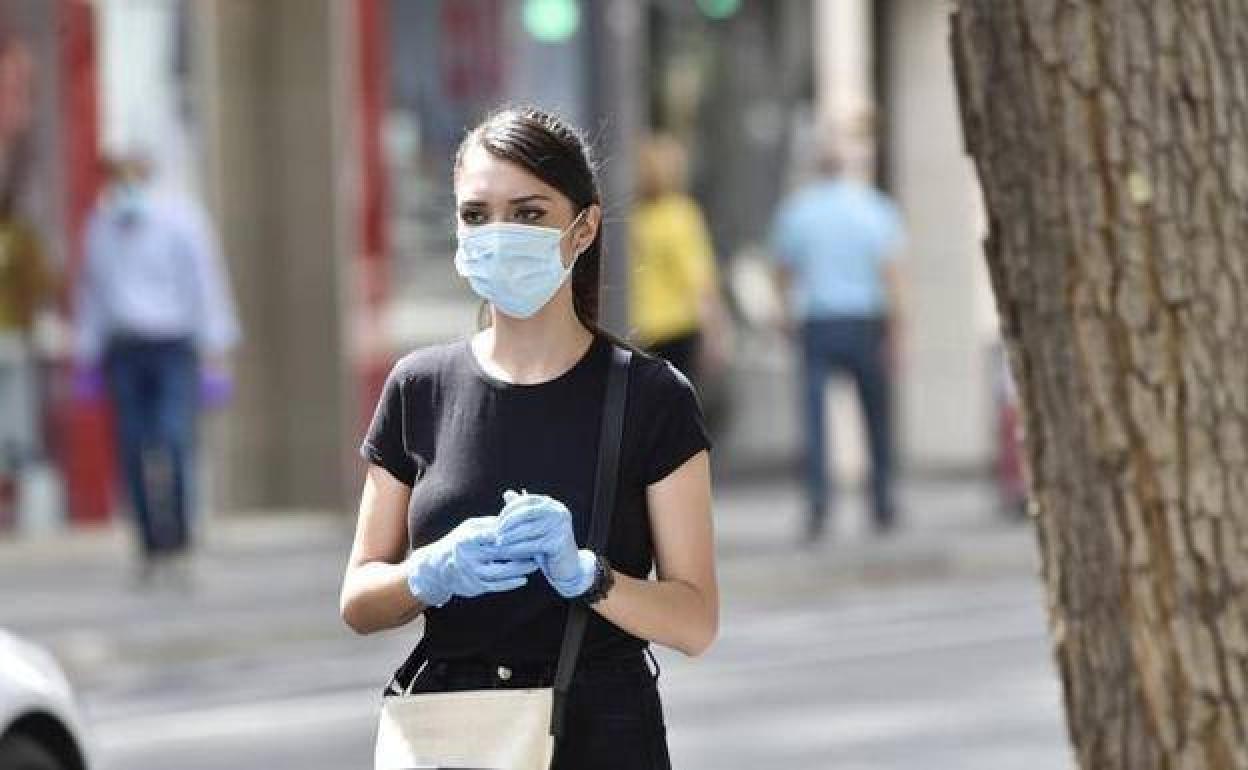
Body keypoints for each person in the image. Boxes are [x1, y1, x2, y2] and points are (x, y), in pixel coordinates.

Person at [340, 107, 718, 769]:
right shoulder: (417, 387)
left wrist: (586, 575)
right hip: (452, 732)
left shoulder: (650, 397)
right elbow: (360, 600)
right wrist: (430, 572)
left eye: (530, 213)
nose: (500, 234)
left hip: (600, 731)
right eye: (477, 215)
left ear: (584, 228)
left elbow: (695, 619)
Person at [75, 150, 240, 585]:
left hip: (173, 347)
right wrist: (87, 354)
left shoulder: (180, 220)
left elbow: (205, 282)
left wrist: (215, 350)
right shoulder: (102, 225)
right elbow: (92, 292)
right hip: (124, 350)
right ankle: (149, 545)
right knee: (132, 448)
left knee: (172, 440)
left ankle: (180, 539)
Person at [770, 141, 906, 542]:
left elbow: (782, 270)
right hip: (865, 319)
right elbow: (892, 273)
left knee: (815, 418)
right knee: (876, 414)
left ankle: (818, 505)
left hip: (817, 321)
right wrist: (898, 331)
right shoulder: (876, 208)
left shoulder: (798, 211)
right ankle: (881, 500)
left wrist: (782, 313)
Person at [630, 133, 731, 389]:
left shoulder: (635, 218)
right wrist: (716, 332)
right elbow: (700, 280)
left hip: (641, 329)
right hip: (679, 328)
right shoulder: (682, 215)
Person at [0, 162, 54, 525]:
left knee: (14, 425)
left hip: (12, 339)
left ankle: (12, 502)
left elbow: (42, 283)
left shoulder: (20, 238)